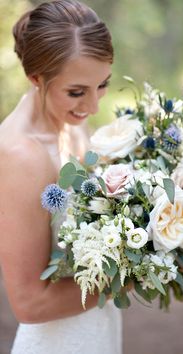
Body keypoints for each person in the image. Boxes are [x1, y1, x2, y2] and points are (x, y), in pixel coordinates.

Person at [0, 1, 122, 353]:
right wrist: (133, 276)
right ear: (36, 77)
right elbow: (29, 303)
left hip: (97, 325)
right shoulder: (20, 155)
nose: (94, 106)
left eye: (103, 85)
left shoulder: (71, 123)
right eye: (76, 91)